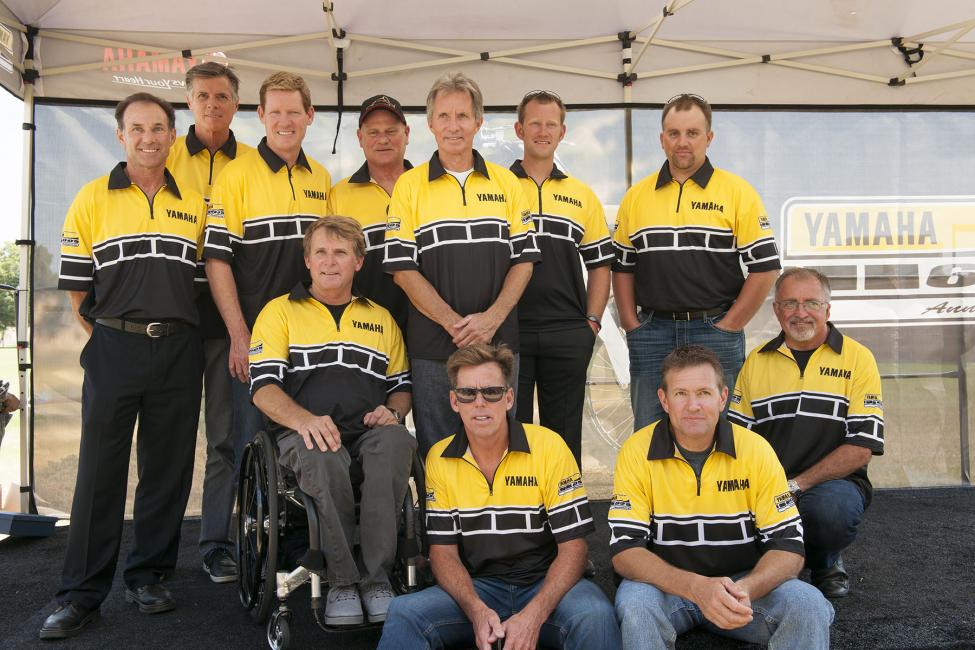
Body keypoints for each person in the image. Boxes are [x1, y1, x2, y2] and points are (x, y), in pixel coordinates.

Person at [42, 93, 207, 639]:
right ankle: (80, 594)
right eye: (137, 128)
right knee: (99, 474)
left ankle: (149, 576)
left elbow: (210, 283)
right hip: (114, 347)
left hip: (179, 349)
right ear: (120, 135)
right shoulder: (92, 198)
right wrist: (113, 339)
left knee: (167, 470)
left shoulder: (198, 203)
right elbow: (77, 293)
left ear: (172, 135)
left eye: (158, 128)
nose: (148, 138)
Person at [378, 343, 620, 650]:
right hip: (478, 588)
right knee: (404, 612)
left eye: (491, 392)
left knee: (596, 615)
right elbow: (443, 553)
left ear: (508, 398)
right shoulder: (439, 458)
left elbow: (574, 548)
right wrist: (476, 611)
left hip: (544, 584)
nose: (480, 402)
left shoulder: (549, 446)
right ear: (454, 401)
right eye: (468, 393)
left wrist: (534, 615)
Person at [610, 345, 834, 649]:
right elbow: (625, 551)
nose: (693, 406)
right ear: (663, 400)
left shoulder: (756, 450)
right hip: (667, 585)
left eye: (703, 392)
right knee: (635, 604)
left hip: (742, 587)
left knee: (809, 604)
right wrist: (696, 587)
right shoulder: (636, 451)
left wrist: (745, 590)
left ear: (722, 397)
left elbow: (789, 548)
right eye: (680, 394)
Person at [249, 216, 414, 625]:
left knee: (397, 442)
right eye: (320, 252)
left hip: (366, 434)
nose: (329, 262)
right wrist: (304, 420)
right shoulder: (278, 313)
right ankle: (342, 581)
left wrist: (392, 413)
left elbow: (401, 387)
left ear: (358, 262)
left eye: (341, 252)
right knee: (322, 452)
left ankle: (376, 581)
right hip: (299, 436)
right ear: (306, 260)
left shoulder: (381, 319)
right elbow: (263, 389)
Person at [384, 72, 540, 458]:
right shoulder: (409, 185)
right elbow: (403, 270)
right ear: (431, 123)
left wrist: (491, 319)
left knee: (500, 446)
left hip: (499, 343)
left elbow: (524, 262)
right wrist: (455, 323)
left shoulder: (507, 184)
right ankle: (439, 522)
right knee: (437, 451)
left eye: (463, 116)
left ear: (479, 122)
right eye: (444, 116)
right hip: (434, 346)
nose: (453, 126)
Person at [612, 93, 781, 430]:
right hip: (653, 332)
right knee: (650, 432)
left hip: (714, 331)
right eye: (673, 133)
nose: (682, 142)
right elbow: (623, 267)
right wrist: (633, 325)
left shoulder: (737, 192)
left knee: (721, 432)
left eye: (692, 133)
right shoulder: (637, 196)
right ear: (662, 139)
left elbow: (765, 268)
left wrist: (730, 325)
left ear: (709, 137)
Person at [204, 71, 331, 480]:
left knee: (303, 442)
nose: (285, 121)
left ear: (310, 115)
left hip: (309, 340)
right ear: (260, 114)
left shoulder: (321, 178)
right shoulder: (236, 176)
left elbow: (328, 264)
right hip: (255, 338)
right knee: (246, 445)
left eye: (294, 111)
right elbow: (217, 261)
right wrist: (239, 335)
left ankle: (293, 541)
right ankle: (227, 544)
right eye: (275, 112)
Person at [729, 267, 884, 598]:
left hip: (832, 485)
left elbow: (860, 448)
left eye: (811, 303)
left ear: (827, 309)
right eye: (789, 304)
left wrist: (795, 487)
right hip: (768, 483)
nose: (800, 313)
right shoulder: (757, 360)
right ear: (776, 310)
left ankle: (824, 560)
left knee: (830, 513)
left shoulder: (858, 359)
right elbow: (736, 439)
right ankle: (774, 563)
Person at [166, 60, 254, 584]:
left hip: (225, 316)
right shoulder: (165, 156)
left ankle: (218, 543)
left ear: (236, 104)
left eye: (222, 96)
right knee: (172, 439)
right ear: (189, 102)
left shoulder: (252, 163)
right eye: (202, 96)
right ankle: (154, 555)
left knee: (226, 436)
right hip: (173, 312)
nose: (212, 105)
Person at [511, 89, 612, 467]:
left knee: (563, 435)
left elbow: (601, 263)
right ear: (519, 129)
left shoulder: (581, 195)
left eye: (550, 124)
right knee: (510, 432)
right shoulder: (497, 188)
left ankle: (566, 518)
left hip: (567, 331)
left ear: (562, 131)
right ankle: (518, 514)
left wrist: (592, 322)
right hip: (510, 330)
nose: (542, 131)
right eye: (534, 123)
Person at [326, 94, 412, 333]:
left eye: (391, 131)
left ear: (407, 133)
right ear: (360, 138)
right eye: (373, 132)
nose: (382, 139)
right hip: (364, 330)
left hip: (427, 328)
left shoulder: (428, 186)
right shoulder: (339, 195)